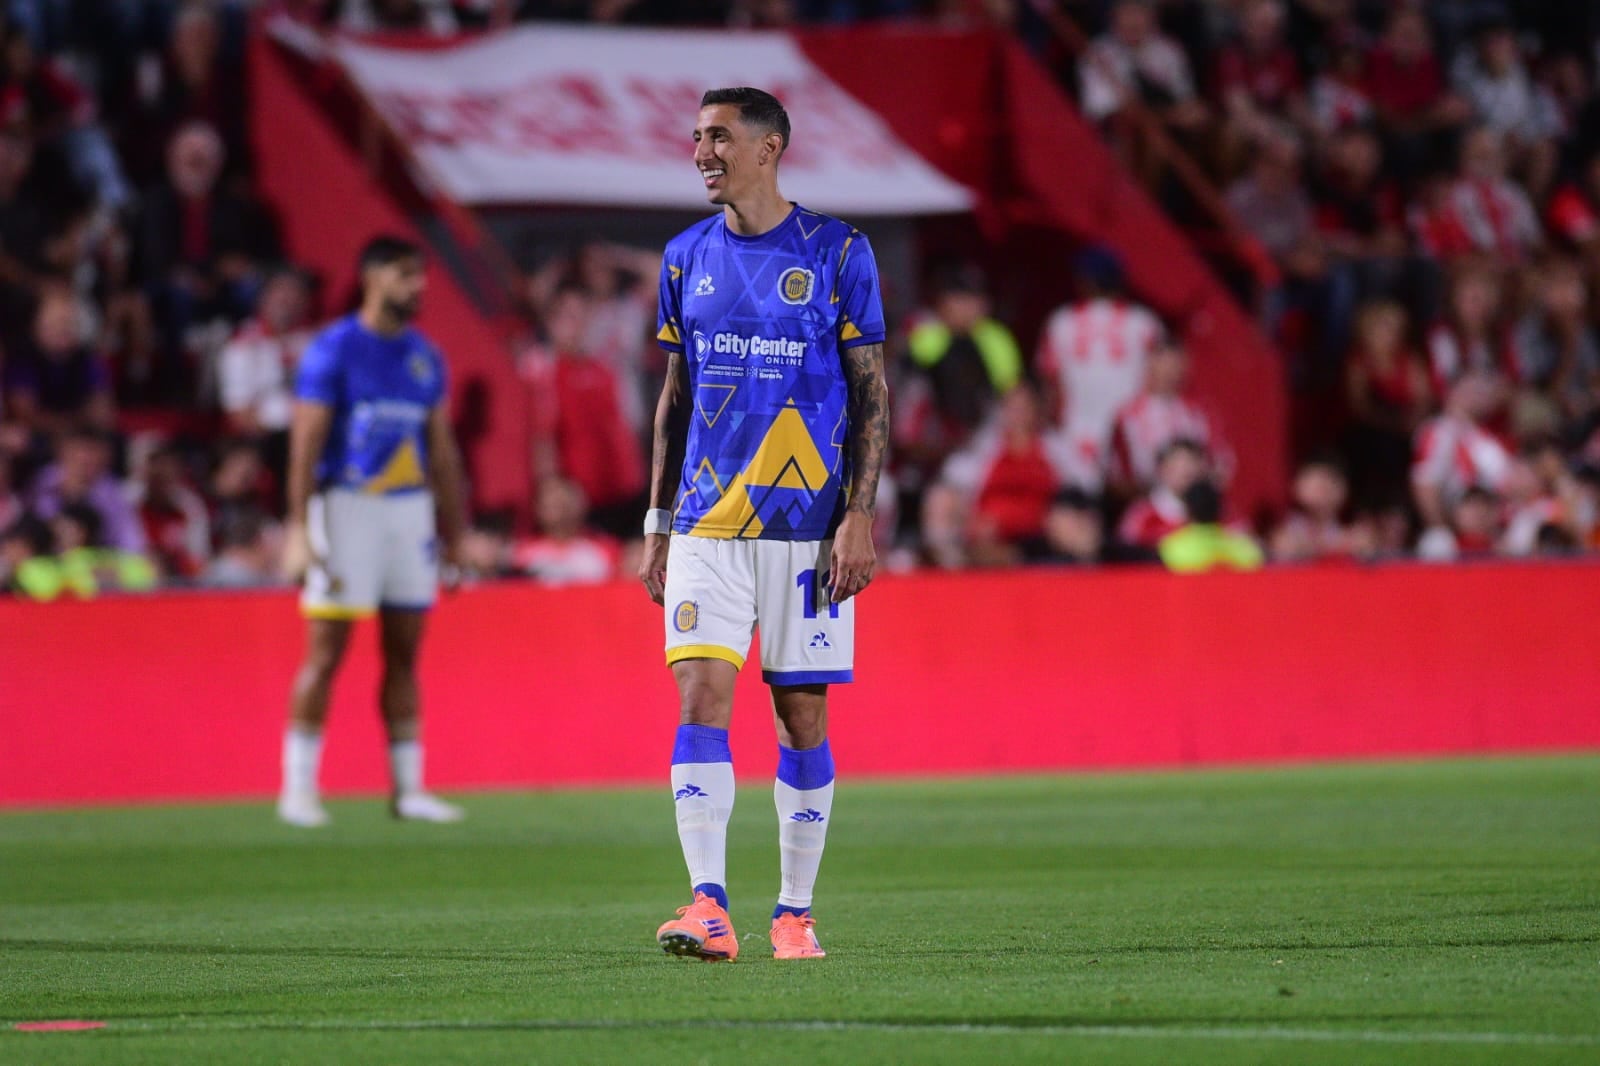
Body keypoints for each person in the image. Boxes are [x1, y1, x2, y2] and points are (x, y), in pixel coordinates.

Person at [639, 88, 888, 963]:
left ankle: (794, 912)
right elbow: (674, 399)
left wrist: (859, 514)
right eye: (696, 136)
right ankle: (709, 906)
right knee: (700, 699)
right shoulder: (683, 258)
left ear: (769, 147)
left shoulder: (838, 251)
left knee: (800, 721)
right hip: (709, 524)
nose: (701, 151)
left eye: (718, 137)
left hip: (807, 530)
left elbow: (870, 394)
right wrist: (660, 520)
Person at [277, 235, 468, 828]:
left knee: (405, 650)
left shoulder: (424, 356)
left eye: (421, 275)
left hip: (407, 512)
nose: (419, 287)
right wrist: (299, 527)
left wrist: (455, 533)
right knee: (326, 650)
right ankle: (299, 789)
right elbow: (305, 443)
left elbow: (440, 450)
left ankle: (408, 790)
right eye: (406, 275)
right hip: (346, 507)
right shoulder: (333, 350)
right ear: (373, 277)